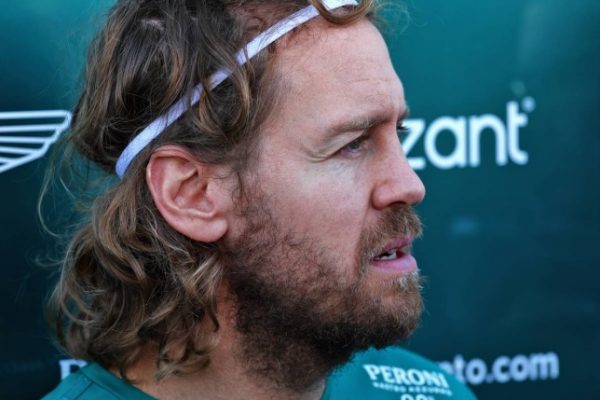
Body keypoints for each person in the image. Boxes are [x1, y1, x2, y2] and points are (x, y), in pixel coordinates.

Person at [43, 0, 476, 399]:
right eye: (352, 144)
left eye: (398, 132)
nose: (409, 185)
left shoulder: (434, 392)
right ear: (192, 193)